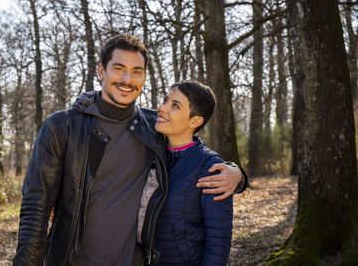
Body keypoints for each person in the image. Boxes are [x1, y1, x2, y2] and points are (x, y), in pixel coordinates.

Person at [13, 34, 247, 266]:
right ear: (101, 71)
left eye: (137, 71)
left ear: (144, 77)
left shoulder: (153, 128)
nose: (127, 79)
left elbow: (191, 152)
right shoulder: (62, 127)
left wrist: (237, 175)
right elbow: (35, 208)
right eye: (118, 68)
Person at [139, 80, 234, 265]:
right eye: (165, 100)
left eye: (175, 106)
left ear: (195, 121)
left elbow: (218, 241)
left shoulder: (210, 166)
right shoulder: (150, 154)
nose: (162, 108)